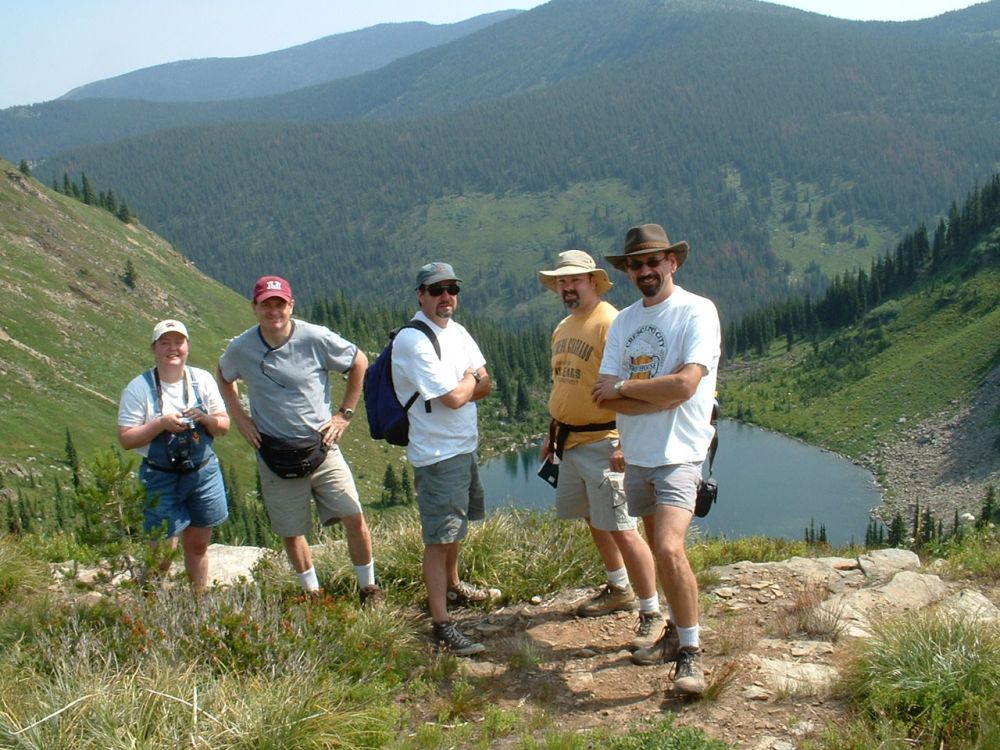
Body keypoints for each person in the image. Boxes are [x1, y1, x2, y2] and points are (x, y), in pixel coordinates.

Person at [592, 224, 721, 696]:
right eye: (636, 264)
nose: (645, 270)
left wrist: (628, 389)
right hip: (639, 456)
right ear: (627, 270)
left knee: (668, 548)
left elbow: (687, 385)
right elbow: (604, 397)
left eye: (654, 261)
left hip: (681, 453)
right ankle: (672, 635)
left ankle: (691, 655)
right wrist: (656, 394)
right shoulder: (624, 322)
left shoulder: (696, 311)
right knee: (661, 552)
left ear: (673, 262)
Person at [216, 275, 381, 603]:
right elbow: (223, 376)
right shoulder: (241, 348)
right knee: (292, 531)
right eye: (267, 304)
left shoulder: (315, 338)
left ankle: (369, 588)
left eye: (280, 304)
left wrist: (343, 415)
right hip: (274, 451)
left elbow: (359, 361)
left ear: (291, 306)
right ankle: (313, 594)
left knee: (353, 514)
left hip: (321, 445)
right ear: (255, 307)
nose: (273, 311)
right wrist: (241, 419)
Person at [537, 250, 664, 651]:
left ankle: (651, 611)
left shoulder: (610, 322)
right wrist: (552, 430)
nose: (567, 287)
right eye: (561, 281)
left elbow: (629, 382)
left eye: (574, 280)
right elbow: (564, 382)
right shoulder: (563, 327)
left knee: (624, 528)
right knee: (595, 518)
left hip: (604, 441)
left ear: (594, 281)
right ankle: (618, 587)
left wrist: (625, 442)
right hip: (570, 441)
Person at [391, 262, 497, 655]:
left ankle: (453, 588)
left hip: (463, 446)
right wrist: (470, 379)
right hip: (437, 454)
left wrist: (468, 381)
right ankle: (441, 624)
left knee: (455, 529)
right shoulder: (413, 340)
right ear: (420, 294)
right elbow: (456, 396)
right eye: (436, 290)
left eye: (452, 288)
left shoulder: (459, 332)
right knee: (439, 538)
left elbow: (486, 383)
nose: (446, 297)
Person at [118, 319, 230, 592]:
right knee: (162, 551)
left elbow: (223, 425)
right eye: (165, 343)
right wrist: (160, 424)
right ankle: (151, 603)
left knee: (198, 544)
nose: (172, 349)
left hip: (202, 472)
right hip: (160, 476)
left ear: (187, 346)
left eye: (178, 342)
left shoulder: (202, 379)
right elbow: (126, 438)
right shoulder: (139, 388)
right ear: (154, 348)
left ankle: (198, 601)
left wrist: (204, 419)